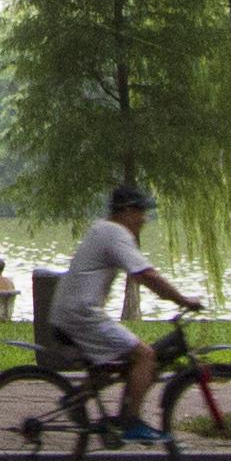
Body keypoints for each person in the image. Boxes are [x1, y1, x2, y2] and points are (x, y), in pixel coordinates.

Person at [48, 183, 198, 429]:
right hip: (81, 315)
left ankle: (75, 400)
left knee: (114, 367)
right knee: (146, 356)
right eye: (141, 212)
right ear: (127, 211)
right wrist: (182, 300)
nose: (144, 219)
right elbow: (147, 275)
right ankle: (131, 422)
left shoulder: (102, 229)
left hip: (70, 313)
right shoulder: (116, 233)